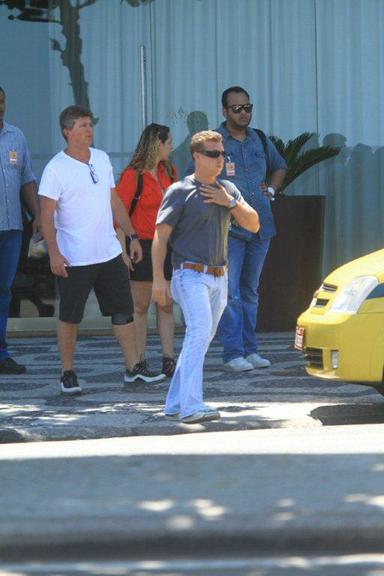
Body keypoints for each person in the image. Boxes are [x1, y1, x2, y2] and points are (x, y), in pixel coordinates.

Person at [39, 105, 164, 395]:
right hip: (74, 257)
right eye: (82, 125)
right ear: (67, 132)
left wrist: (131, 235)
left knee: (123, 312)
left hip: (108, 253)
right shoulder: (56, 168)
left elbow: (115, 202)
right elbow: (46, 216)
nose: (89, 129)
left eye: (90, 124)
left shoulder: (103, 159)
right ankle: (67, 373)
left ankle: (133, 368)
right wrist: (54, 253)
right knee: (70, 316)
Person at [152, 130, 259, 424]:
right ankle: (191, 406)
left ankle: (175, 402)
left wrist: (229, 202)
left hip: (219, 277)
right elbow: (160, 237)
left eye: (223, 154)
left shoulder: (227, 190)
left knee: (199, 339)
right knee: (198, 333)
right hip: (189, 274)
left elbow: (253, 224)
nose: (220, 160)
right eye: (213, 154)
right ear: (197, 156)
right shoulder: (180, 190)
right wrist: (158, 280)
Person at [216, 86, 287, 371]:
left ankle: (250, 349)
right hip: (230, 230)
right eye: (237, 108)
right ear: (224, 111)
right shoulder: (215, 141)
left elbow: (280, 166)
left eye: (247, 107)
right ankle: (233, 353)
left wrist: (271, 189)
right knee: (230, 292)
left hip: (261, 227)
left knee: (250, 291)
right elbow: (194, 178)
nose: (244, 113)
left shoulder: (259, 138)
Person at [116, 123, 177, 378]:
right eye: (168, 142)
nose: (171, 146)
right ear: (157, 144)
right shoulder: (133, 175)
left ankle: (169, 359)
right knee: (140, 306)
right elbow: (118, 215)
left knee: (165, 304)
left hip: (166, 244)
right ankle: (138, 361)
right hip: (140, 245)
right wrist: (123, 249)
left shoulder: (169, 171)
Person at [0, 86, 40, 374]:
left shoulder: (16, 136)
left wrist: (38, 214)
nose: (0, 106)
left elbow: (26, 178)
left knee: (4, 291)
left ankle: (2, 353)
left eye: (2, 101)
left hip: (12, 227)